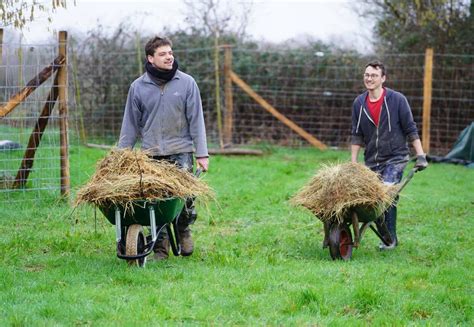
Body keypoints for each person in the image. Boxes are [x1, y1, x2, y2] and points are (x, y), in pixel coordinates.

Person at [118, 36, 209, 260]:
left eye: (170, 52)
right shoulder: (138, 87)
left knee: (185, 198)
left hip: (181, 150)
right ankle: (160, 246)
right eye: (163, 54)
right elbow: (130, 125)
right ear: (150, 58)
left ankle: (183, 229)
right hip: (152, 154)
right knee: (156, 202)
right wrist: (120, 158)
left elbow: (197, 120)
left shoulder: (187, 83)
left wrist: (202, 153)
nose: (169, 57)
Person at [350, 60, 428, 250]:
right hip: (372, 160)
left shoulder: (397, 100)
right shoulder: (359, 103)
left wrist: (421, 155)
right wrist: (353, 163)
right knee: (372, 201)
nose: (369, 78)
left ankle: (390, 239)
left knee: (386, 195)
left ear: (383, 79)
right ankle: (386, 236)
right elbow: (356, 134)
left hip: (396, 157)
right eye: (367, 75)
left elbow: (410, 128)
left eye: (374, 75)